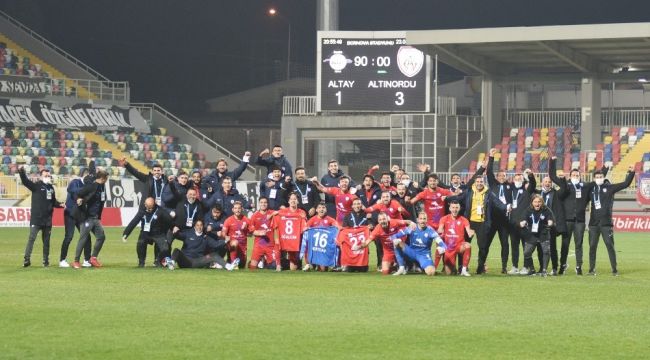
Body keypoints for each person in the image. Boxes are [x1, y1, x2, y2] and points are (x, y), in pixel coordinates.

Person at [446, 176, 507, 275]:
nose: (479, 183)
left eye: (481, 181)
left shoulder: (489, 193)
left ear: (484, 182)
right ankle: (462, 268)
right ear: (475, 183)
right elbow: (459, 198)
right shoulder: (469, 191)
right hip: (469, 222)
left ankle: (480, 267)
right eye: (477, 181)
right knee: (463, 245)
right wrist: (448, 198)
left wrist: (506, 208)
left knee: (483, 247)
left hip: (482, 223)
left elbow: (498, 202)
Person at [549, 157, 596, 275]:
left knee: (579, 244)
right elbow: (553, 176)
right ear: (570, 176)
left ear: (580, 176)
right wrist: (553, 161)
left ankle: (579, 266)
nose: (575, 175)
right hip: (567, 220)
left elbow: (596, 181)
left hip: (580, 220)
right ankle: (563, 265)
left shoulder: (584, 186)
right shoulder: (566, 184)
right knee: (565, 244)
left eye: (577, 174)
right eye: (573, 174)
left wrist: (605, 170)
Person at [586, 167, 635, 276]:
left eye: (601, 177)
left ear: (603, 178)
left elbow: (625, 184)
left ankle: (614, 269)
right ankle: (591, 269)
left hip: (606, 224)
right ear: (594, 179)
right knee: (592, 246)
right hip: (593, 224)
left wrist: (631, 172)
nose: (599, 178)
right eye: (597, 177)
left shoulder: (609, 188)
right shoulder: (591, 189)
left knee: (610, 245)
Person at [19, 167, 63, 267]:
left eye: (48, 175)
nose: (47, 177)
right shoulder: (36, 186)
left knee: (46, 242)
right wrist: (22, 172)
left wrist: (60, 205)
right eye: (45, 175)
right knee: (32, 238)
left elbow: (53, 202)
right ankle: (26, 259)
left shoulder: (51, 188)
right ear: (40, 176)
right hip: (37, 219)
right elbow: (25, 181)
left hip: (47, 220)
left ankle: (46, 261)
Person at [121, 197, 175, 269]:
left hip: (158, 233)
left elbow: (169, 221)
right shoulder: (142, 211)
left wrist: (173, 228)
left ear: (154, 204)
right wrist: (126, 234)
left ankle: (158, 261)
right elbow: (134, 222)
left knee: (165, 248)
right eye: (147, 206)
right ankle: (141, 262)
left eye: (150, 207)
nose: (148, 209)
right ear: (145, 204)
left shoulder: (161, 211)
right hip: (145, 233)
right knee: (140, 243)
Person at [72, 170, 109, 269]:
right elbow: (77, 193)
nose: (107, 180)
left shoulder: (102, 187)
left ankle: (93, 258)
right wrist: (78, 199)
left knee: (101, 237)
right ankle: (76, 261)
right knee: (83, 239)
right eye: (106, 178)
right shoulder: (91, 186)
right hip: (87, 217)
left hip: (96, 218)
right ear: (103, 178)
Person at [486, 148, 514, 274]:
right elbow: (489, 172)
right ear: (497, 177)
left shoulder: (510, 187)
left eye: (504, 176)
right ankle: (483, 264)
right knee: (486, 242)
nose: (502, 177)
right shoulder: (493, 184)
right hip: (492, 219)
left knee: (505, 244)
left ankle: (504, 266)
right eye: (500, 176)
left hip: (504, 220)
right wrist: (491, 157)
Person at [391, 212, 446, 276]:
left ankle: (418, 266)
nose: (422, 221)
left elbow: (439, 240)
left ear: (427, 220)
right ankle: (401, 268)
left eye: (424, 219)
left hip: (423, 255)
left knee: (431, 272)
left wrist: (443, 247)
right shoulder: (412, 228)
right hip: (411, 253)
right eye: (421, 219)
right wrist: (394, 239)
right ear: (417, 220)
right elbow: (395, 236)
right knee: (397, 242)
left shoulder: (430, 230)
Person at [59, 165, 94, 268]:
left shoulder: (89, 186)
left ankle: (86, 260)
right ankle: (62, 260)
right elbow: (71, 190)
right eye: (87, 175)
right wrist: (78, 197)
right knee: (69, 236)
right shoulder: (75, 182)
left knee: (86, 237)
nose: (88, 177)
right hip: (70, 213)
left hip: (80, 214)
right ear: (83, 175)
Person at [535, 174, 569, 275]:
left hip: (551, 225)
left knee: (552, 248)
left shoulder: (556, 193)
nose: (547, 183)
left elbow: (565, 188)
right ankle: (542, 268)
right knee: (539, 248)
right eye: (545, 182)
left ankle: (554, 268)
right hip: (539, 225)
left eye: (549, 182)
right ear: (541, 183)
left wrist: (562, 179)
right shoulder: (537, 194)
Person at [505, 169, 537, 275]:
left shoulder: (527, 189)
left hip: (524, 223)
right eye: (516, 179)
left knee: (525, 247)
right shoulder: (511, 189)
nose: (518, 180)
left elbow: (533, 183)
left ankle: (525, 267)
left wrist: (530, 175)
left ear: (523, 180)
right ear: (513, 180)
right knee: (514, 246)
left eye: (520, 179)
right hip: (513, 224)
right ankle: (514, 266)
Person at [518, 195, 555, 276]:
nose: (537, 204)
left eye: (539, 202)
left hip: (543, 234)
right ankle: (532, 269)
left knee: (546, 252)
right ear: (532, 203)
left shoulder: (546, 210)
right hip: (531, 235)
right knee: (527, 253)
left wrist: (550, 223)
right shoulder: (528, 210)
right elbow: (523, 219)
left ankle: (544, 270)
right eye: (535, 202)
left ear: (542, 202)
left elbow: (551, 220)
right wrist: (522, 222)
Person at [271, 192, 307, 271]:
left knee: (293, 269)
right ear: (288, 201)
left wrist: (304, 218)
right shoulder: (282, 212)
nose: (293, 201)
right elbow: (274, 221)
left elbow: (304, 227)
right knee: (277, 243)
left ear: (298, 201)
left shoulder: (301, 212)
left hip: (294, 241)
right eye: (291, 199)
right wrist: (275, 213)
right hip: (284, 238)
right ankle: (278, 265)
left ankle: (296, 264)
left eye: (295, 199)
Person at [437, 200, 474, 276]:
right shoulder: (444, 219)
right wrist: (440, 231)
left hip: (459, 246)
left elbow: (469, 231)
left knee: (468, 246)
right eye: (453, 207)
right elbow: (440, 229)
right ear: (450, 208)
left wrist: (471, 233)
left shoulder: (464, 220)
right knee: (449, 273)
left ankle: (464, 270)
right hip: (449, 248)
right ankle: (453, 268)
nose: (455, 209)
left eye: (457, 207)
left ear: (459, 208)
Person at [303, 202, 340, 271]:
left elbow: (337, 227)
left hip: (325, 248)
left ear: (326, 210)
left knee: (322, 269)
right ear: (316, 210)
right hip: (314, 247)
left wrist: (336, 227)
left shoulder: (330, 219)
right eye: (319, 208)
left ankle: (333, 264)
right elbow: (304, 229)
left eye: (323, 208)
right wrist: (306, 229)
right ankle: (308, 263)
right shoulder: (312, 220)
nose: (321, 210)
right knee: (306, 242)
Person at [339, 198, 371, 272]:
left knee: (363, 270)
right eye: (355, 204)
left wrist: (370, 225)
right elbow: (344, 230)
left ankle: (363, 265)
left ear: (361, 205)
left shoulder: (367, 215)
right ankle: (349, 265)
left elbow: (372, 226)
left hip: (363, 245)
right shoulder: (347, 216)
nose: (357, 206)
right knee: (349, 270)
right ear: (352, 206)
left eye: (359, 204)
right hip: (351, 244)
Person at [221, 201, 253, 269]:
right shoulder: (228, 220)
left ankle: (233, 263)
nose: (237, 210)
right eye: (235, 208)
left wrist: (246, 229)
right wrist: (226, 236)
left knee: (242, 265)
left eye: (239, 208)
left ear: (242, 209)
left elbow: (251, 233)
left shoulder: (247, 220)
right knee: (235, 242)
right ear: (232, 210)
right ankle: (233, 263)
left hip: (243, 246)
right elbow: (223, 232)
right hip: (232, 244)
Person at [249, 197, 277, 270]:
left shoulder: (272, 213)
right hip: (259, 245)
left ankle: (265, 262)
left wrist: (272, 214)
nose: (263, 204)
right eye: (261, 202)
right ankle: (259, 261)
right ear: (259, 204)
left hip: (270, 245)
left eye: (265, 202)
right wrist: (259, 233)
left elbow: (280, 212)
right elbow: (252, 231)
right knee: (252, 267)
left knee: (274, 266)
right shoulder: (254, 216)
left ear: (267, 204)